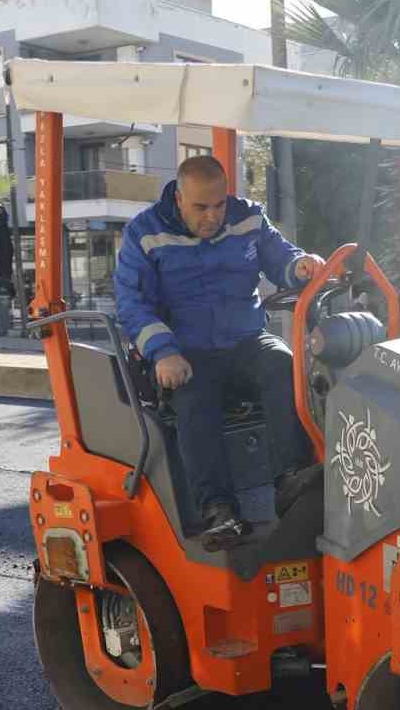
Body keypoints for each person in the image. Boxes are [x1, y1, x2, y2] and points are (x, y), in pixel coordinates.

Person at [115, 155, 325, 549]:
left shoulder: (248, 218)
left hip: (245, 341)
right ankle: (218, 509)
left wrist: (300, 266)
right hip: (185, 353)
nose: (212, 216)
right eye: (200, 207)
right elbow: (131, 303)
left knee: (283, 363)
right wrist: (163, 352)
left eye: (219, 205)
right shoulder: (144, 233)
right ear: (179, 198)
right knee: (195, 397)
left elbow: (281, 256)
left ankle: (291, 482)